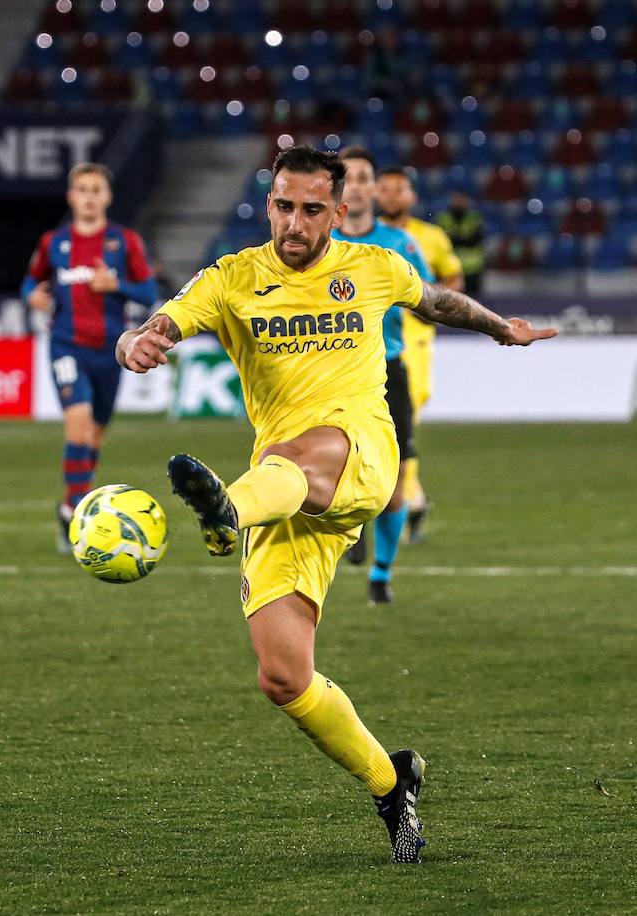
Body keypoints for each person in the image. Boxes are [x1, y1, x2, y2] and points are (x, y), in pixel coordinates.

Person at [116, 146, 553, 863]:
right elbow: (165, 321)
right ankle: (393, 780)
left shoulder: (372, 266)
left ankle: (226, 511)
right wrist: (139, 341)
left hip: (357, 453)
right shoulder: (233, 277)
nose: (294, 223)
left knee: (293, 457)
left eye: (312, 209)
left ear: (339, 211)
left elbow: (437, 302)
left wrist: (502, 327)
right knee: (282, 675)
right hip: (282, 493)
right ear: (269, 205)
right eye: (283, 207)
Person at [21, 162, 158, 551]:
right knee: (78, 427)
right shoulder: (54, 242)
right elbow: (31, 279)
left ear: (107, 197)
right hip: (66, 345)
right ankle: (78, 513)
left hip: (112, 351)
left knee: (95, 435)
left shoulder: (125, 241)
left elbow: (148, 292)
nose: (89, 196)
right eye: (82, 189)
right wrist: (32, 294)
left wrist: (116, 284)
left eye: (96, 189)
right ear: (71, 196)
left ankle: (68, 504)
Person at [330, 146, 435, 606]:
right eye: (347, 177)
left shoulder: (399, 245)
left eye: (363, 177)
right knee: (330, 469)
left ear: (374, 187)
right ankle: (350, 527)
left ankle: (380, 572)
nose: (355, 184)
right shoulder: (320, 242)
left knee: (393, 482)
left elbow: (430, 304)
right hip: (328, 371)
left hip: (386, 369)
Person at [377, 167, 466, 543]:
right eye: (386, 189)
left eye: (400, 190)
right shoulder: (363, 236)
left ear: (412, 197)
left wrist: (427, 300)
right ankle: (410, 499)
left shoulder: (429, 237)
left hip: (415, 339)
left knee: (402, 421)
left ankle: (399, 500)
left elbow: (454, 278)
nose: (393, 196)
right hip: (373, 338)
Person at [436, 190, 486, 298]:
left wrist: (455, 238)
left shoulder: (474, 217)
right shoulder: (443, 218)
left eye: (462, 199)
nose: (459, 202)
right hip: (450, 270)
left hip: (473, 269)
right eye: (457, 199)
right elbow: (441, 241)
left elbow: (475, 239)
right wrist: (463, 238)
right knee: (451, 303)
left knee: (475, 303)